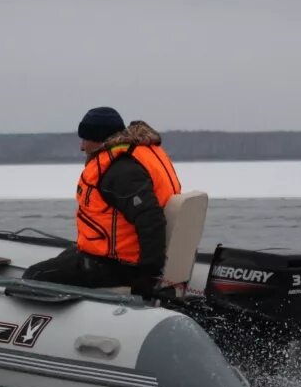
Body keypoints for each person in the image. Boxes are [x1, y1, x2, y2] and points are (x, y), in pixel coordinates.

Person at [23, 106, 182, 297]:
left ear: (99, 139)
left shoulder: (121, 170)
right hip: (115, 257)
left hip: (121, 265)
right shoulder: (131, 157)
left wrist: (148, 274)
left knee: (34, 275)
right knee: (68, 256)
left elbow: (150, 219)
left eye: (85, 139)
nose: (82, 147)